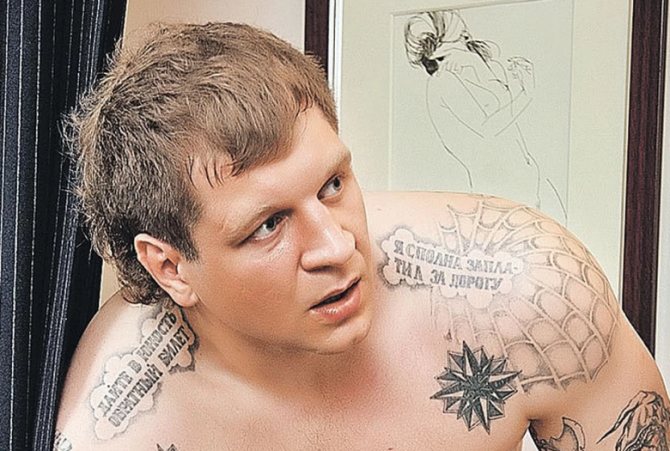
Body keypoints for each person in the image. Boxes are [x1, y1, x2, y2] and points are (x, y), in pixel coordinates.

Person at [55, 22, 668, 450]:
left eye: (332, 185)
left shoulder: (526, 294)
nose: (337, 246)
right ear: (170, 267)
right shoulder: (120, 425)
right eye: (268, 225)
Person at [404, 10, 567, 222]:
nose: (468, 40)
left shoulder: (469, 70)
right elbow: (487, 128)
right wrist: (526, 94)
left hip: (525, 178)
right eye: (462, 37)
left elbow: (501, 113)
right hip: (501, 190)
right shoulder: (443, 81)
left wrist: (489, 70)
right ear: (443, 47)